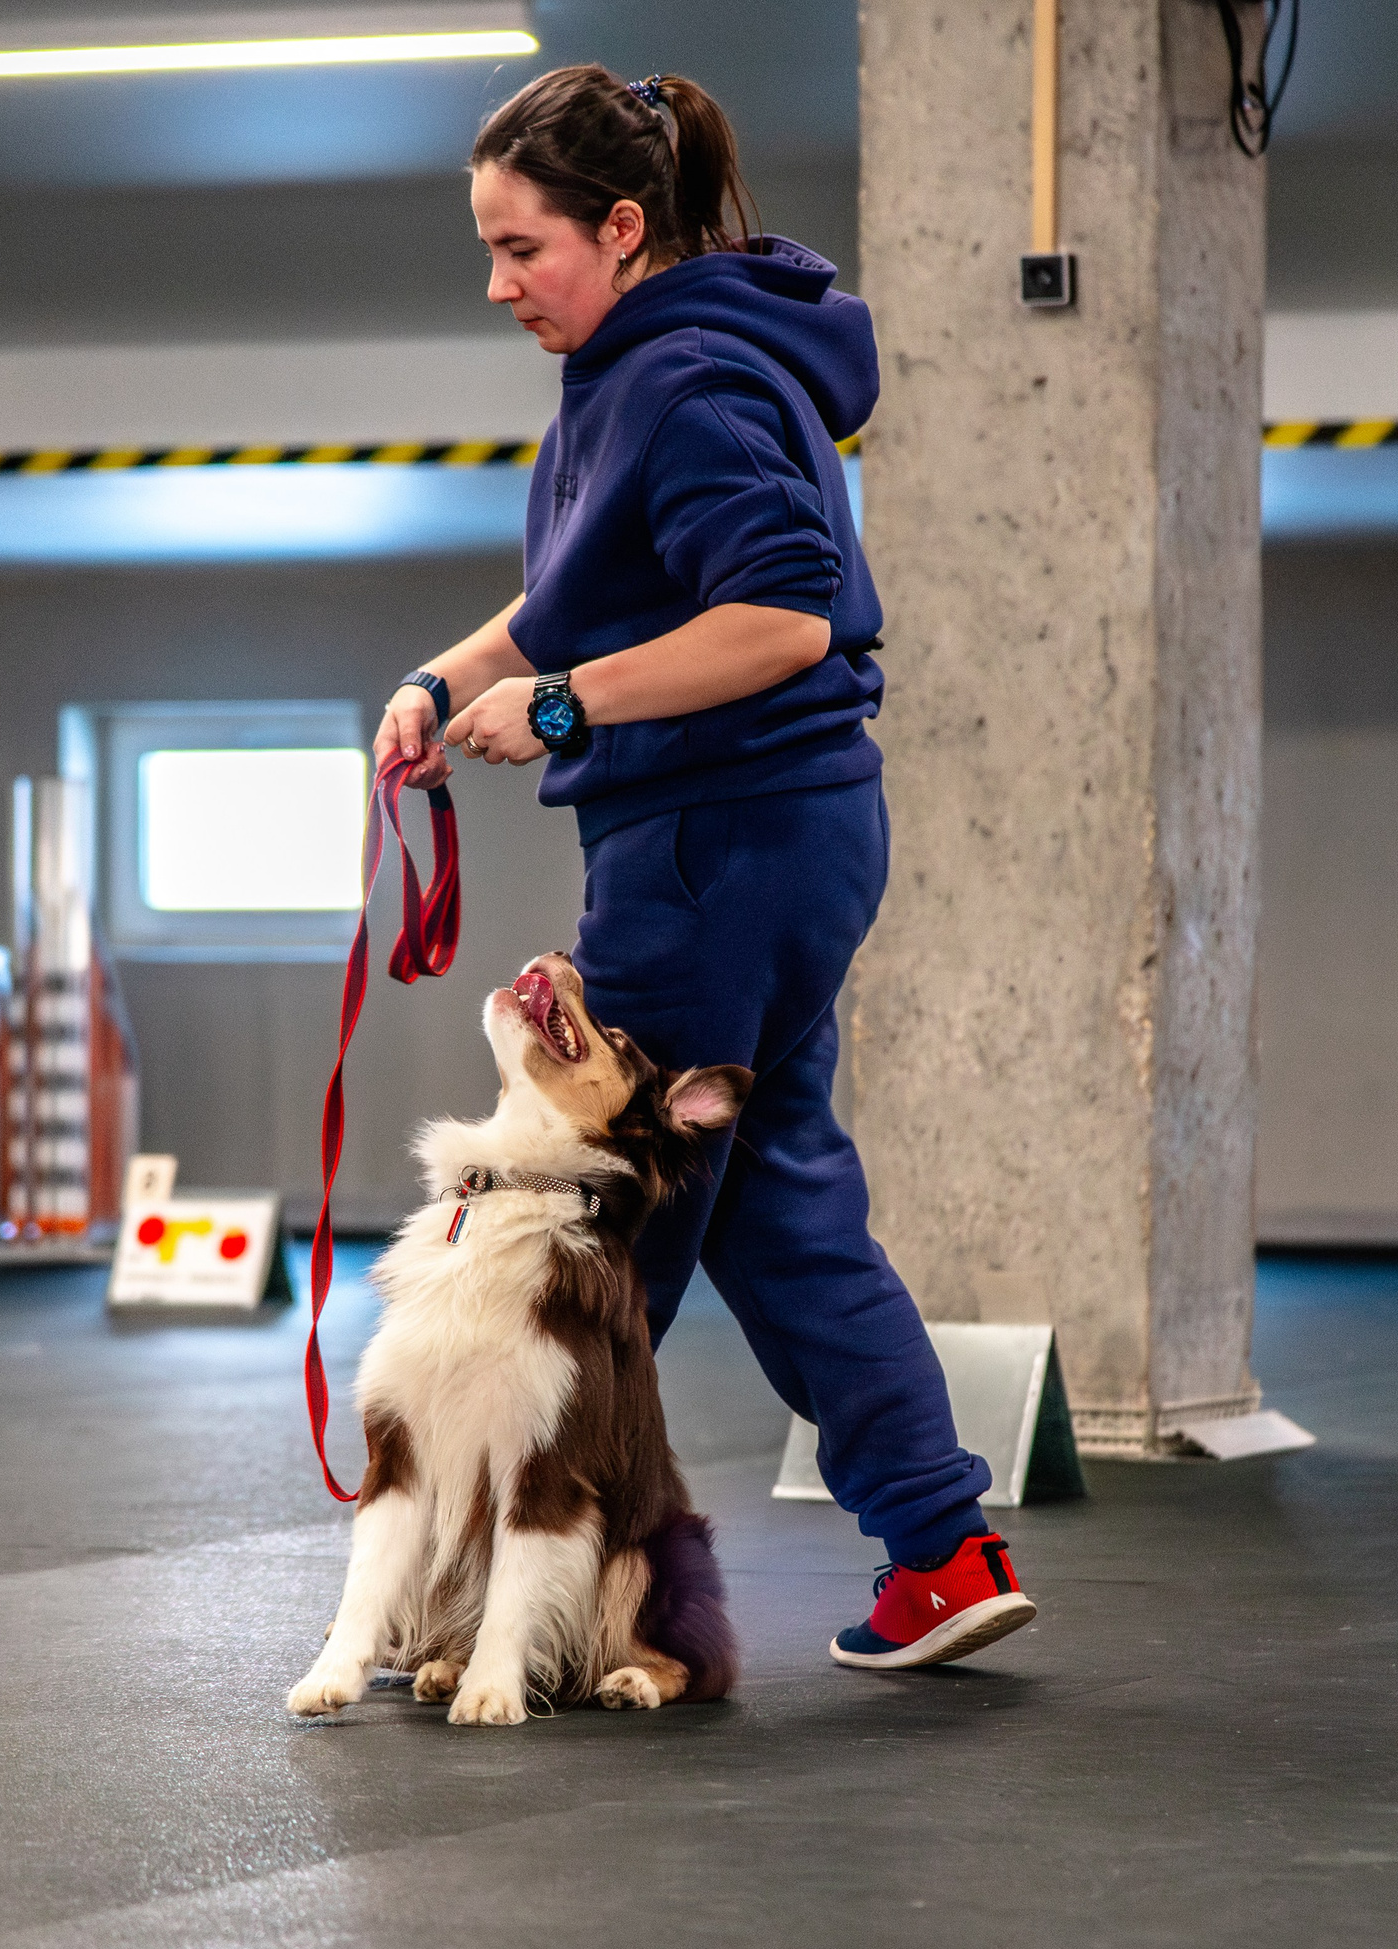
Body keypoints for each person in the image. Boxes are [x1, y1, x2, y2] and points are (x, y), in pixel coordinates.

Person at [372, 64, 1036, 1670]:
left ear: (620, 227)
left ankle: (524, 1604)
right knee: (778, 1207)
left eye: (524, 247)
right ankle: (941, 1553)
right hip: (779, 844)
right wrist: (442, 685)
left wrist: (565, 705)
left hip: (711, 848)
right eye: (488, 247)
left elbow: (782, 615)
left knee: (596, 1240)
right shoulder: (646, 370)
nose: (499, 282)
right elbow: (571, 600)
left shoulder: (689, 387)